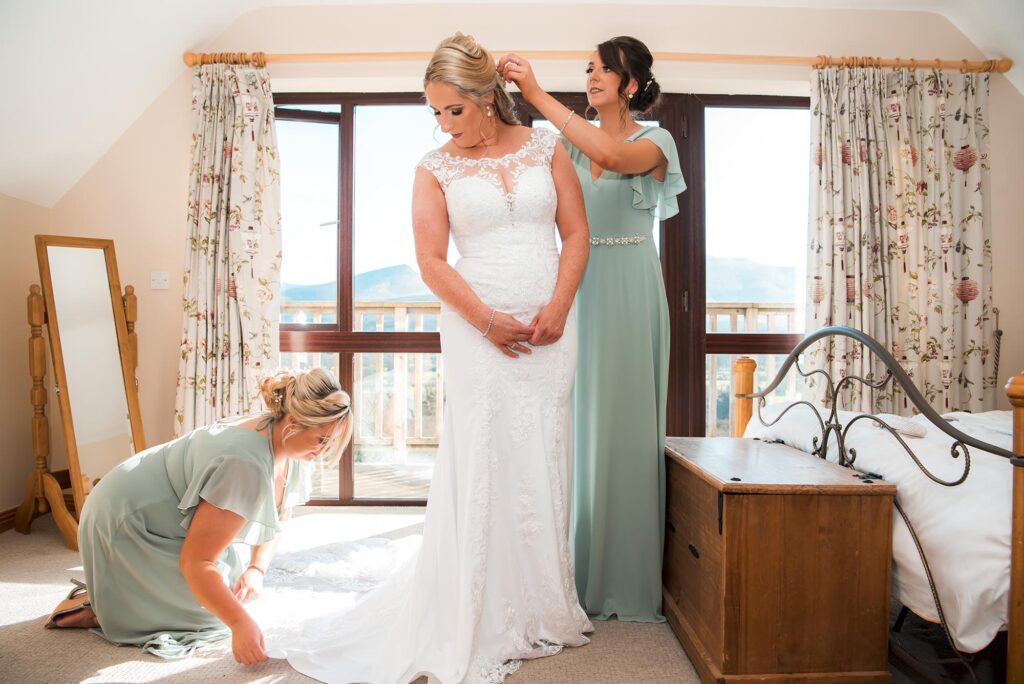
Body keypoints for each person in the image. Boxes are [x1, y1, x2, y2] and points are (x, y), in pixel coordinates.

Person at [282, 34, 592, 683]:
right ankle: (475, 605)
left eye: (453, 109)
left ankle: (540, 600)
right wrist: (484, 320)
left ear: (486, 98)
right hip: (478, 331)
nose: (445, 123)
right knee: (484, 454)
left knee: (542, 451)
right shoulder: (435, 166)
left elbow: (576, 233)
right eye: (437, 112)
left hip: (551, 330)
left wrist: (559, 307)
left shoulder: (545, 145)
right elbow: (429, 261)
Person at [499, 36, 686, 622]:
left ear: (631, 83)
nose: (592, 76)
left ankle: (625, 582)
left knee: (623, 431)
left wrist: (537, 94)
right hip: (576, 285)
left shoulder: (654, 141)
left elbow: (611, 154)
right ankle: (568, 575)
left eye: (604, 69)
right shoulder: (569, 146)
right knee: (571, 427)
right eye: (588, 68)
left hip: (629, 289)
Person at [50, 368, 353, 664]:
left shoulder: (292, 447)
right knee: (214, 619)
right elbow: (195, 562)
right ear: (294, 423)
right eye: (322, 440)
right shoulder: (244, 464)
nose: (324, 451)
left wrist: (257, 569)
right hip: (124, 520)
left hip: (158, 511)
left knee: (233, 587)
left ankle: (121, 594)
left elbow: (278, 516)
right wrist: (238, 625)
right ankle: (111, 604)